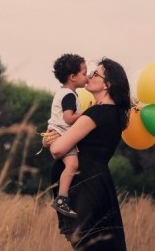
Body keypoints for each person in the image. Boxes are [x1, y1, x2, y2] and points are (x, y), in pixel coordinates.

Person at [45, 57, 131, 250]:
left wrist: (51, 141)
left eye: (95, 73)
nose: (90, 76)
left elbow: (58, 149)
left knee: (90, 244)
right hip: (98, 183)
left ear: (107, 84)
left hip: (86, 187)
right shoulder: (115, 114)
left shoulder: (95, 114)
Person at [47, 53, 89, 218]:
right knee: (72, 165)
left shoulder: (64, 93)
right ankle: (61, 199)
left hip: (57, 135)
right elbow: (69, 118)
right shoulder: (69, 95)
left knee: (71, 165)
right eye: (84, 74)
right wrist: (87, 113)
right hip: (60, 137)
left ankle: (62, 197)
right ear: (72, 77)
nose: (87, 77)